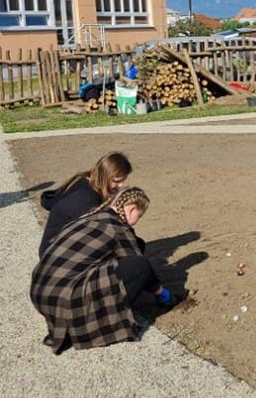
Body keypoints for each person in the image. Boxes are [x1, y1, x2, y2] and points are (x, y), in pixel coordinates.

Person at [31, 187, 180, 354]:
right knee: (140, 266)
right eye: (138, 216)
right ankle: (86, 323)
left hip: (40, 291)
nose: (136, 221)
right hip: (65, 301)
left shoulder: (91, 216)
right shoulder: (119, 229)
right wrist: (161, 293)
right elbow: (138, 266)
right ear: (131, 209)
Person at [39, 151, 132, 258]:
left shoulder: (82, 180)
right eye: (116, 181)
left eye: (123, 181)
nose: (121, 186)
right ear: (105, 176)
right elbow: (95, 235)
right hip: (56, 256)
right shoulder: (87, 199)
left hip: (51, 247)